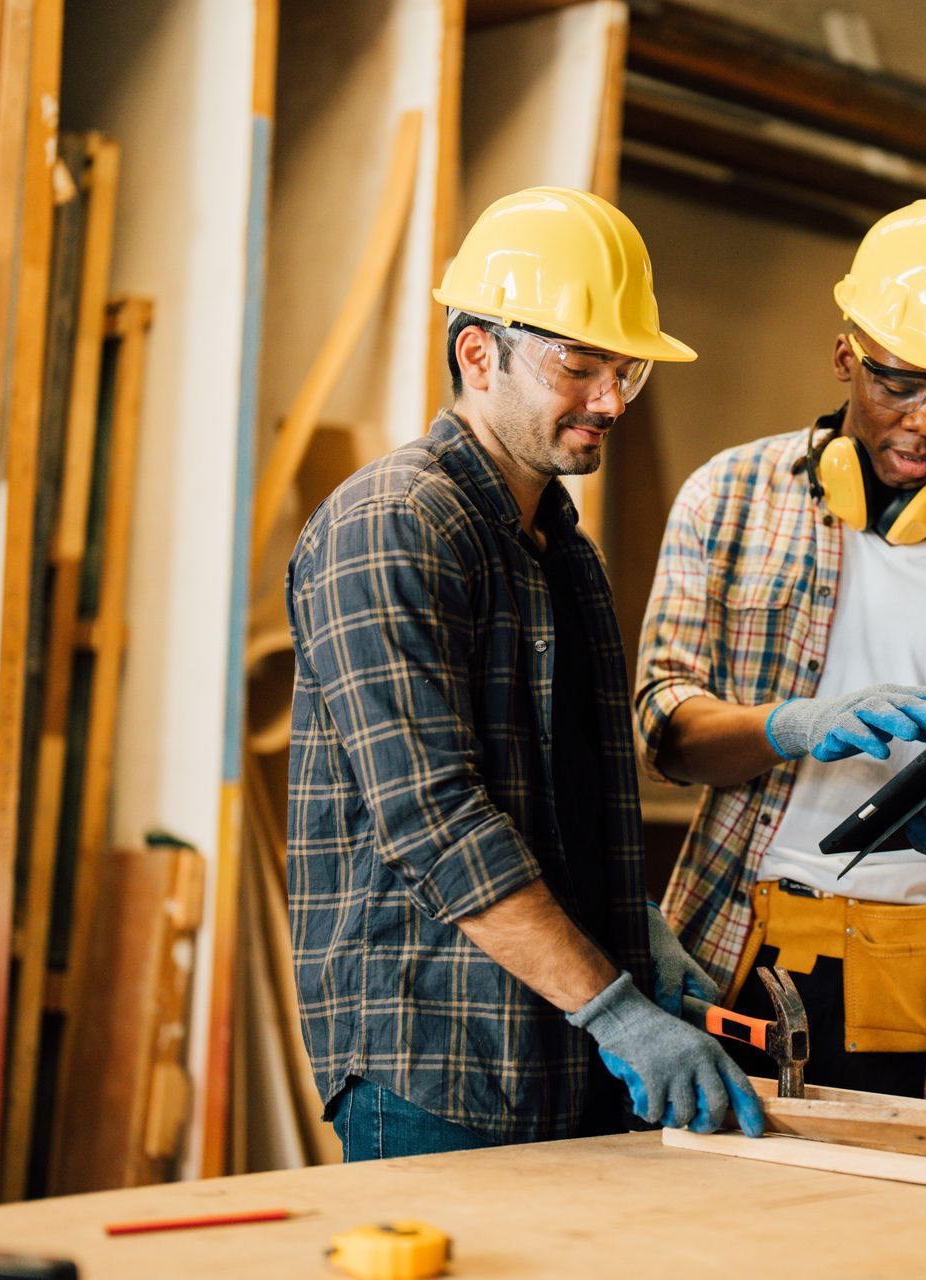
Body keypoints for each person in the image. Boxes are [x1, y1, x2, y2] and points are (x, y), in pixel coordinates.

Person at [286, 187, 762, 1159]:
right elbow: (436, 818)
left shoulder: (560, 550)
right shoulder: (394, 522)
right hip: (439, 1066)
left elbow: (570, 804)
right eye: (578, 365)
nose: (612, 399)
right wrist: (623, 1010)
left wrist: (634, 927)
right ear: (477, 353)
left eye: (624, 367)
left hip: (568, 1049)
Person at [634, 196, 926, 1108]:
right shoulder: (728, 501)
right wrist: (793, 726)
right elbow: (663, 727)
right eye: (899, 384)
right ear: (846, 352)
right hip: (748, 952)